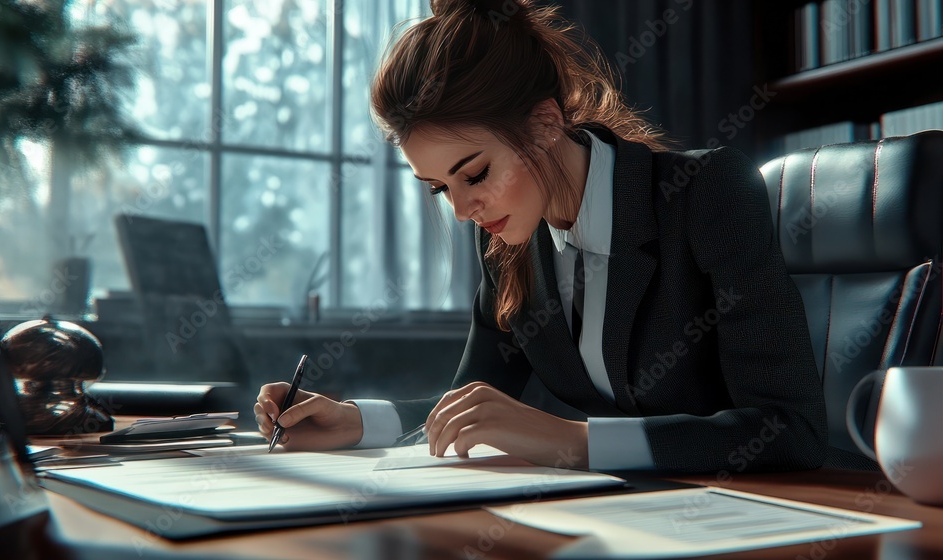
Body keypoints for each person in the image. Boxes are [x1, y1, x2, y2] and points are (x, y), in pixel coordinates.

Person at [255, 0, 828, 473]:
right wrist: (355, 421)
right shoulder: (505, 240)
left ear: (546, 124)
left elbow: (788, 431)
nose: (460, 210)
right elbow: (470, 403)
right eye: (438, 188)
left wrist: (574, 441)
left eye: (474, 174)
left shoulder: (705, 194)